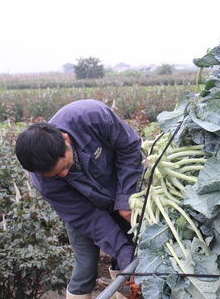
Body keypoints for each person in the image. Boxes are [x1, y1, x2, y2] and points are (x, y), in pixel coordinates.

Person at [15, 99, 144, 299]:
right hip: (84, 213)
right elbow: (90, 219)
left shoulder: (91, 115)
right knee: (86, 267)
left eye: (64, 167)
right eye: (57, 175)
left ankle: (128, 292)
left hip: (120, 189)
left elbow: (129, 148)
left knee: (127, 249)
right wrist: (128, 256)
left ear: (65, 139)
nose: (64, 175)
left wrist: (125, 197)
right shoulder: (44, 182)